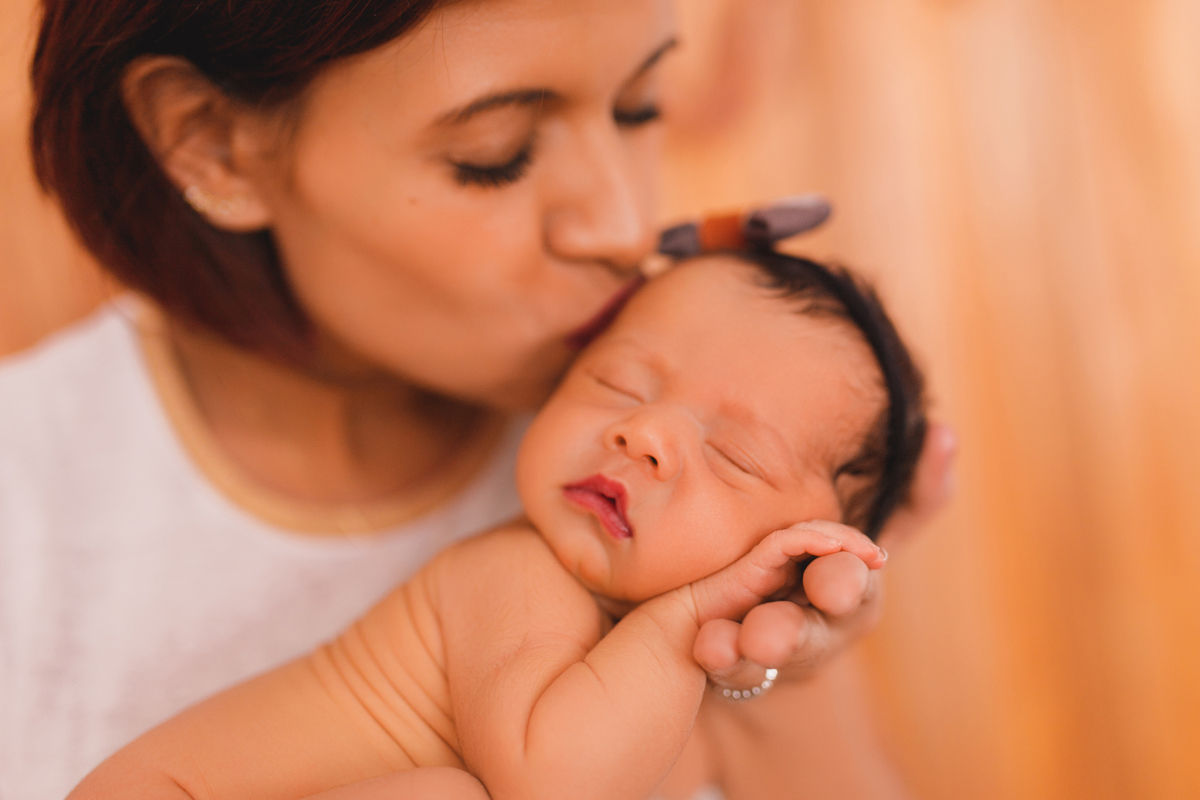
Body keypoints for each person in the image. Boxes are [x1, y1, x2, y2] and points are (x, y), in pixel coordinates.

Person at [2, 0, 955, 798]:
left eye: (639, 105)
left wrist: (778, 659)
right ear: (212, 142)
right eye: (496, 153)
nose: (623, 225)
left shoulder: (651, 475)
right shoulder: (32, 504)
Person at [67, 250, 925, 800]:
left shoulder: (659, 690)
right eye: (619, 385)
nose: (644, 432)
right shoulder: (517, 575)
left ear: (796, 559)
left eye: (734, 456)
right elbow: (555, 785)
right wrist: (693, 609)